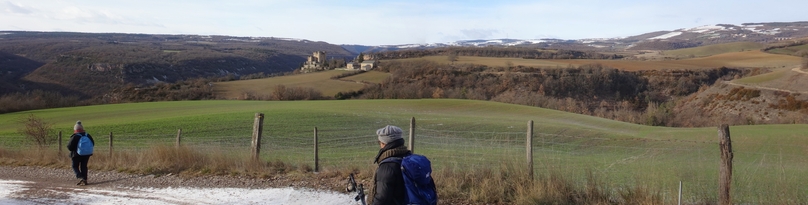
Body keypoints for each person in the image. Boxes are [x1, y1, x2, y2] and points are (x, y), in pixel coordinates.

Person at [368, 125, 410, 205]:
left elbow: (382, 199)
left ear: (384, 143)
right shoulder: (408, 157)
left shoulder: (387, 167)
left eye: (379, 142)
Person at [66, 120, 94, 186]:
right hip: (87, 154)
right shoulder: (87, 135)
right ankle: (85, 179)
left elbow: (69, 147)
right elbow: (92, 143)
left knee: (74, 166)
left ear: (75, 129)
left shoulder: (75, 136)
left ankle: (80, 177)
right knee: (84, 166)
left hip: (76, 155)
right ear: (82, 128)